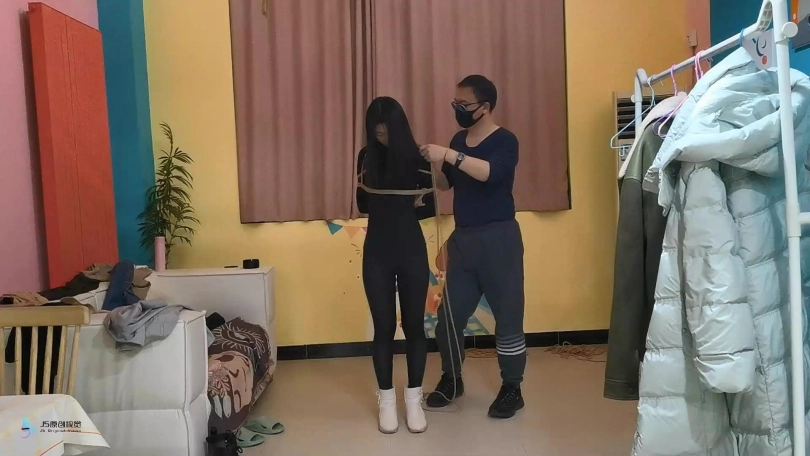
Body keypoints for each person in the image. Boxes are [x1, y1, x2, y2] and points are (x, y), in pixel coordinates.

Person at [420, 75, 526, 419]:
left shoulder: (505, 140)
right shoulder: (458, 140)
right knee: (448, 319)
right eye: (455, 104)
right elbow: (446, 184)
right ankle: (452, 379)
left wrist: (449, 154)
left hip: (499, 239)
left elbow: (490, 174)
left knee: (508, 318)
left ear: (485, 107)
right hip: (464, 240)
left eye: (463, 104)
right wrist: (429, 166)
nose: (458, 109)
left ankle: (512, 388)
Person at [356, 96, 435, 434]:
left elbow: (430, 207)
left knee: (415, 326)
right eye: (377, 134)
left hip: (411, 249)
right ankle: (386, 400)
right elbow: (362, 204)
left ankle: (414, 399)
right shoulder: (366, 157)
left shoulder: (419, 157)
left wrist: (407, 202)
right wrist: (402, 201)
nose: (382, 138)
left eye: (387, 132)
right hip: (377, 252)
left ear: (399, 128)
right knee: (384, 326)